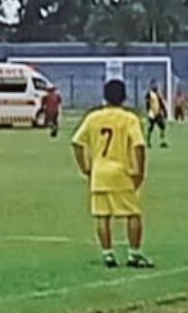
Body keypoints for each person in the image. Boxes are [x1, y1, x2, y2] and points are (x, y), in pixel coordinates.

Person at [72, 79, 154, 269]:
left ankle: (107, 254)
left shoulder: (93, 117)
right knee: (133, 213)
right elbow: (139, 146)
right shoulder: (129, 119)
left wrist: (85, 167)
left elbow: (76, 142)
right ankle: (134, 254)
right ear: (124, 97)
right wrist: (140, 171)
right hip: (121, 172)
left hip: (99, 173)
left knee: (102, 215)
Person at [145, 81, 168, 148]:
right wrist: (148, 111)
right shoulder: (149, 94)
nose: (155, 87)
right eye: (154, 85)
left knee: (162, 127)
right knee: (150, 128)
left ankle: (162, 142)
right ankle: (148, 142)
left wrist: (164, 111)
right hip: (152, 114)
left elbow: (161, 103)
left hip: (158, 113)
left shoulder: (158, 94)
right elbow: (147, 103)